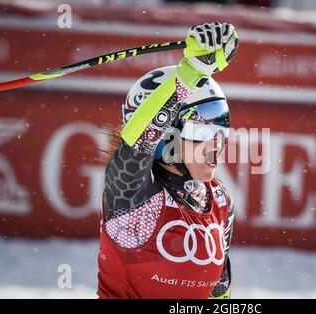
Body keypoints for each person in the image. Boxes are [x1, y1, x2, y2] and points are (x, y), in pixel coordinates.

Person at [97, 22, 239, 299]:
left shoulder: (219, 198)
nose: (217, 142)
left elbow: (219, 293)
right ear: (164, 136)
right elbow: (136, 146)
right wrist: (192, 71)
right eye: (202, 129)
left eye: (221, 127)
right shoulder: (132, 197)